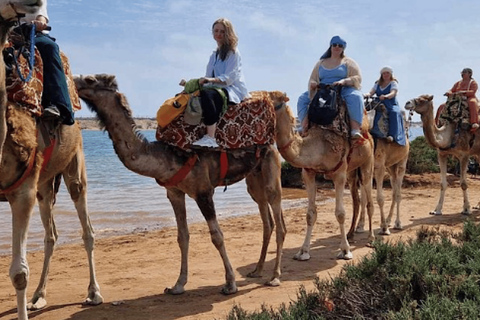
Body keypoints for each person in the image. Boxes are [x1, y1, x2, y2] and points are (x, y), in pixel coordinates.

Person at [192, 18, 249, 148]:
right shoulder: (214, 55)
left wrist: (210, 81)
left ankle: (211, 138)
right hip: (216, 86)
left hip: (232, 88)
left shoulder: (233, 52)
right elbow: (208, 76)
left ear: (228, 33)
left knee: (208, 95)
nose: (218, 34)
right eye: (216, 31)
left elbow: (230, 77)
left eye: (222, 31)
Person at [21, 0, 74, 125]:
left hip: (32, 33)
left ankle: (57, 105)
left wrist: (40, 22)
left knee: (49, 47)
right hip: (7, 34)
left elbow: (41, 13)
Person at [307, 35, 364, 139]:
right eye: (334, 45)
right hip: (322, 90)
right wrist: (313, 84)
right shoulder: (320, 63)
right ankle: (303, 126)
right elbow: (313, 78)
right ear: (330, 46)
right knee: (303, 99)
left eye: (340, 45)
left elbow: (357, 77)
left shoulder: (348, 62)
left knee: (356, 97)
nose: (337, 47)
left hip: (342, 89)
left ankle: (355, 128)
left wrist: (344, 81)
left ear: (343, 48)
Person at [364, 66, 406, 145]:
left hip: (390, 103)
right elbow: (371, 92)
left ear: (390, 74)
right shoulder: (377, 83)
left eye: (387, 73)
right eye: (384, 73)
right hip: (378, 102)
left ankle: (392, 135)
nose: (385, 75)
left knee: (394, 112)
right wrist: (367, 95)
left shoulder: (393, 83)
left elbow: (393, 93)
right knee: (365, 109)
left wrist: (386, 96)